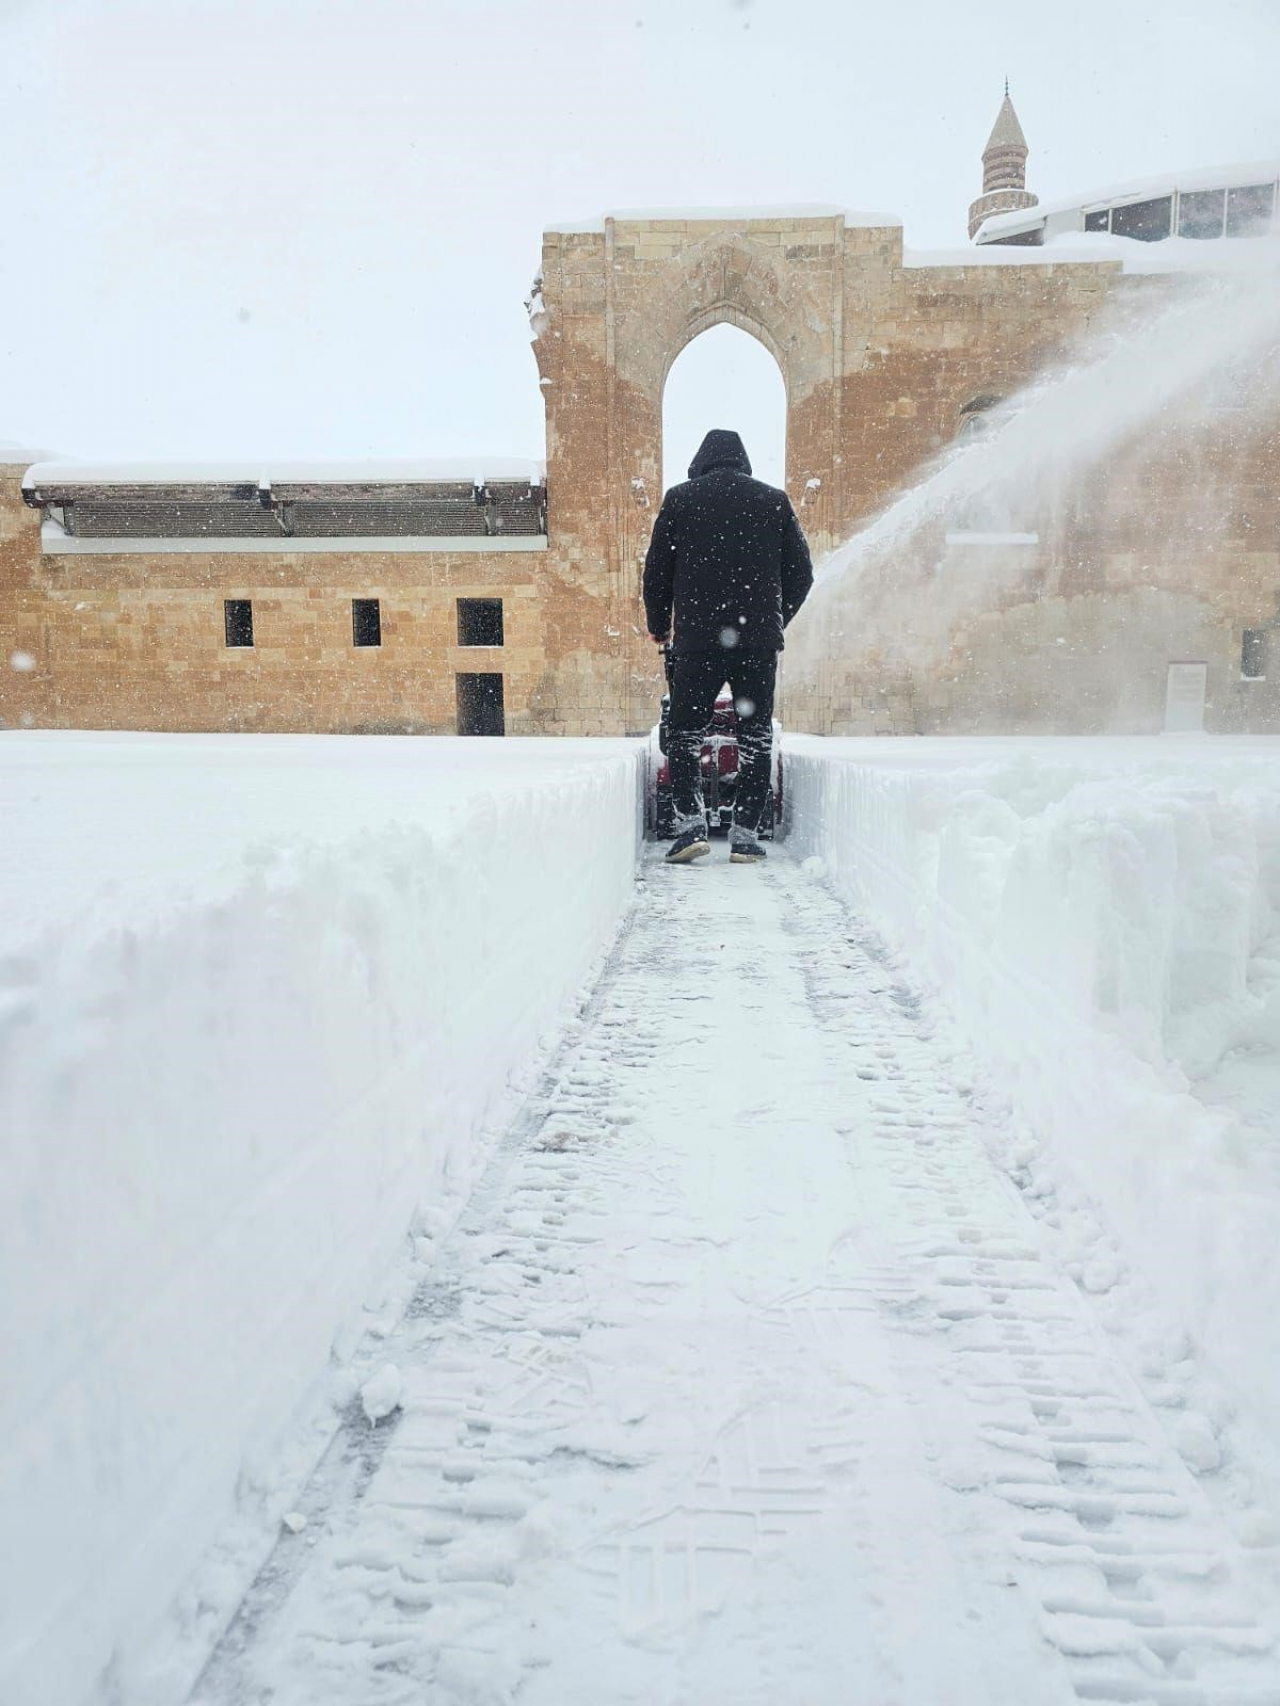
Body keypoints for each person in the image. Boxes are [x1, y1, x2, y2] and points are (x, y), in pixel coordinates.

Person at [643, 428, 813, 865]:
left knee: (684, 735)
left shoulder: (680, 499)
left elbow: (657, 570)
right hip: (756, 644)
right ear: (744, 462)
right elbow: (802, 574)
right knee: (755, 737)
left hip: (697, 642)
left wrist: (660, 625)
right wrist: (774, 619)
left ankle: (690, 829)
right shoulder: (773, 501)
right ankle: (745, 837)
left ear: (701, 462)